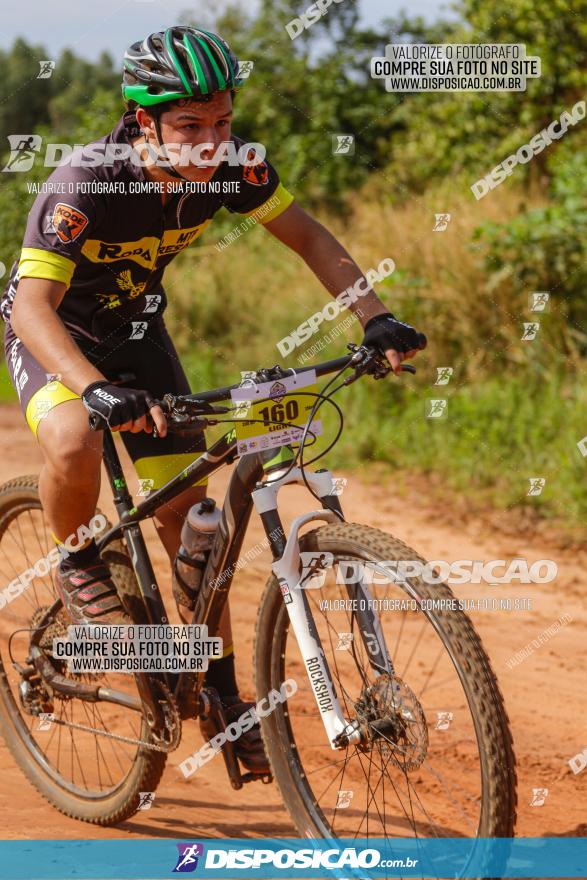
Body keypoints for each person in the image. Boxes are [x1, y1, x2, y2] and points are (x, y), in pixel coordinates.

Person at [1, 25, 426, 775]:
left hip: (135, 333)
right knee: (74, 440)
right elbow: (32, 305)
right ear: (145, 123)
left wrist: (373, 316)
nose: (211, 141)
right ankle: (75, 561)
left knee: (191, 518)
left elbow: (309, 237)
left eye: (222, 122)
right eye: (190, 126)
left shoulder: (234, 167)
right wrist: (93, 389)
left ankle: (222, 696)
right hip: (55, 331)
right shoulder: (87, 181)